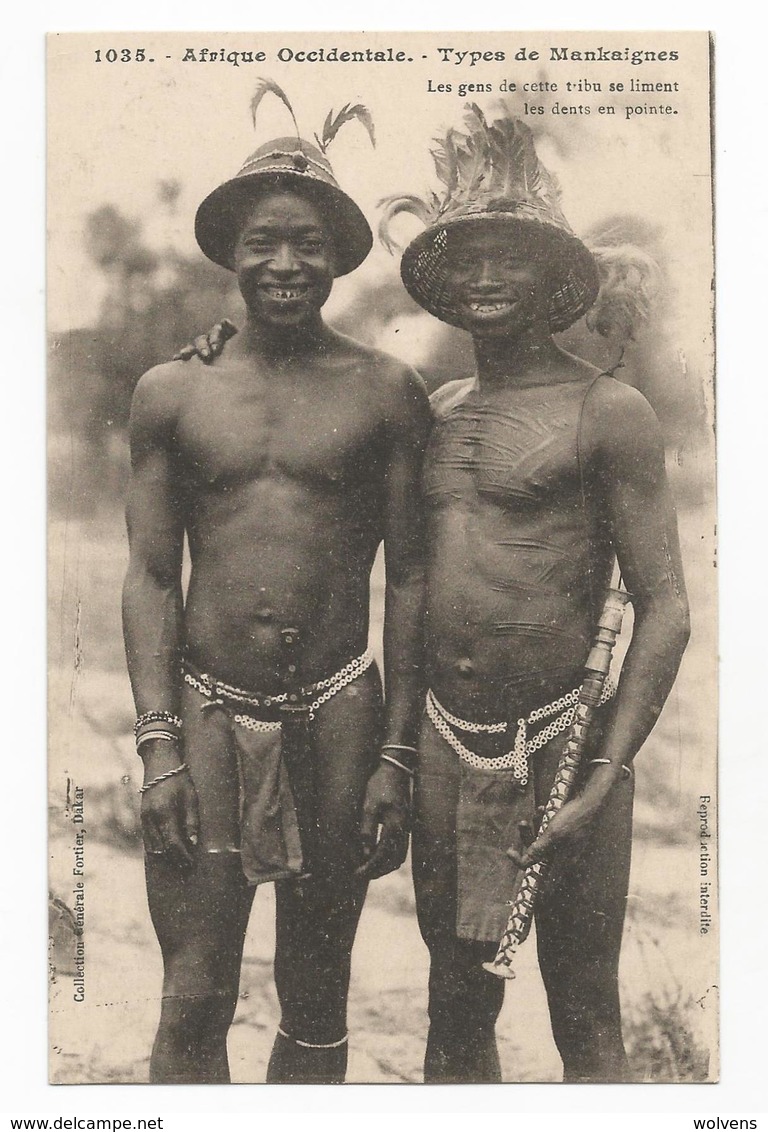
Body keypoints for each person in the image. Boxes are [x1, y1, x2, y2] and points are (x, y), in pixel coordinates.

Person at [180, 109, 690, 1083]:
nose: (489, 279)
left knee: (588, 1015)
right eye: (471, 263)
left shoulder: (608, 414)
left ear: (554, 280)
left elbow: (666, 604)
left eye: (513, 261)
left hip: (563, 743)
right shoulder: (437, 408)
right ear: (446, 286)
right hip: (450, 751)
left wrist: (608, 769)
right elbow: (400, 568)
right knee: (455, 1008)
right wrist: (217, 341)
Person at [122, 126, 430, 1085]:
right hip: (209, 711)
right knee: (195, 992)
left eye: (307, 243)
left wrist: (397, 753)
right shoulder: (173, 389)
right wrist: (159, 744)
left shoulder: (386, 392)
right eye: (263, 241)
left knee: (317, 990)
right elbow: (149, 576)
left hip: (341, 714)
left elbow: (413, 577)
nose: (286, 263)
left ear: (339, 256)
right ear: (232, 251)